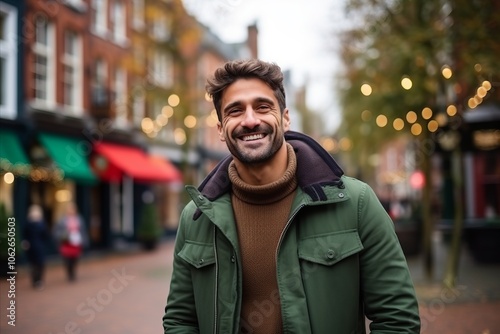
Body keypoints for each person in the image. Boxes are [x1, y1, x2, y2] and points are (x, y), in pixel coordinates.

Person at [163, 59, 421, 333]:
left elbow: (398, 320)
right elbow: (180, 321)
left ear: (285, 118)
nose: (250, 120)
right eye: (235, 111)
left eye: (263, 107)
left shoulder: (356, 203)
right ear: (220, 130)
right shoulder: (196, 218)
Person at [54, 202, 88, 282]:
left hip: (76, 243)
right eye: (69, 209)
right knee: (67, 260)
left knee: (74, 259)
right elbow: (57, 231)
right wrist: (63, 236)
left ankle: (73, 273)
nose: (71, 211)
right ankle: (69, 273)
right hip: (66, 243)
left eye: (73, 209)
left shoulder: (79, 219)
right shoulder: (62, 220)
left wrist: (84, 241)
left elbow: (83, 231)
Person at [23, 204, 50, 289]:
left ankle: (39, 280)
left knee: (40, 264)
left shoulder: (42, 224)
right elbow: (25, 235)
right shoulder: (28, 224)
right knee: (33, 265)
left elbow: (46, 235)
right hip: (31, 247)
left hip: (40, 246)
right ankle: (35, 280)